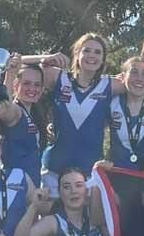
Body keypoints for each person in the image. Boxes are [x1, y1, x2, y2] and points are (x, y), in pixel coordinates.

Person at [31, 33, 122, 197]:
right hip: (54, 170)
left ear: (103, 59)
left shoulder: (110, 84)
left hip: (89, 172)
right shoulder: (58, 77)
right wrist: (46, 57)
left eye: (97, 52)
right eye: (87, 50)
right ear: (77, 53)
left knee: (88, 221)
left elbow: (143, 83)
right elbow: (16, 64)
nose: (92, 56)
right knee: (53, 219)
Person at [0, 62, 45, 186]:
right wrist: (10, 73)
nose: (32, 89)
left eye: (37, 85)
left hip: (30, 187)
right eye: (26, 83)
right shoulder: (17, 111)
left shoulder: (34, 114)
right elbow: (5, 107)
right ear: (15, 86)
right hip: (13, 187)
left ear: (42, 90)